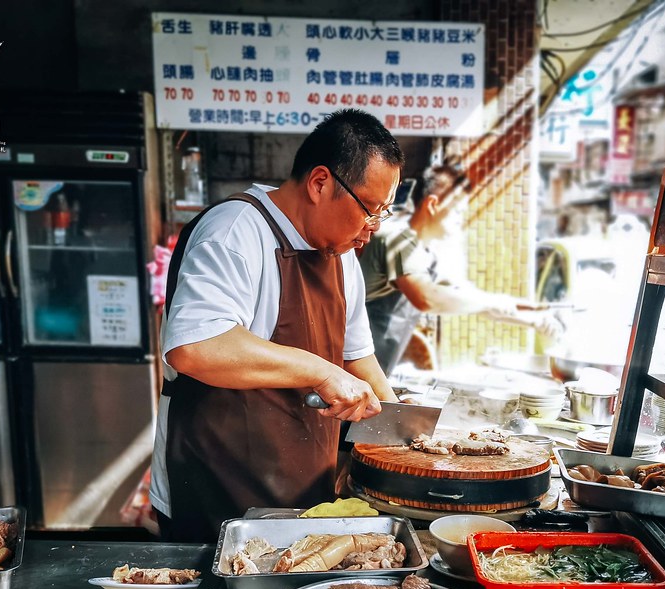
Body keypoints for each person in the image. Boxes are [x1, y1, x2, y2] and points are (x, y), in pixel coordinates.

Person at [150, 109, 403, 542]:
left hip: (305, 489)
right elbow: (196, 346)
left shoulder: (341, 256)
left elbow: (358, 357)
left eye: (383, 213)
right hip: (217, 486)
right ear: (320, 182)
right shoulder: (235, 231)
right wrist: (320, 370)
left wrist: (402, 439)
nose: (372, 229)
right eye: (369, 210)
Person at [359, 164, 563, 375]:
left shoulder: (427, 253)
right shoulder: (398, 239)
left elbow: (468, 297)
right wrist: (496, 302)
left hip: (378, 369)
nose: (460, 219)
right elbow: (426, 297)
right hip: (352, 365)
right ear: (432, 205)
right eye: (457, 210)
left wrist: (529, 316)